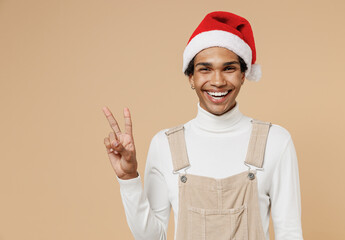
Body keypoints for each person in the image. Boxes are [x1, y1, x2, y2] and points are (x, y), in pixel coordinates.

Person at [102, 11, 303, 240]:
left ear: (243, 75)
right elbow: (151, 237)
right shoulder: (165, 144)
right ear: (191, 77)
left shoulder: (275, 141)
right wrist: (128, 179)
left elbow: (290, 234)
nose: (217, 81)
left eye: (229, 68)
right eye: (205, 69)